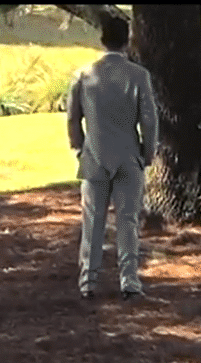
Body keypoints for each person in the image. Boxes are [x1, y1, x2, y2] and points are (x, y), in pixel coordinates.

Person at [66, 14, 158, 301]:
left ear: (102, 39)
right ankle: (129, 282)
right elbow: (149, 120)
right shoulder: (139, 75)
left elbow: (72, 118)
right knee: (128, 222)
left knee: (92, 222)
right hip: (129, 155)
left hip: (94, 156)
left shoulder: (83, 75)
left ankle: (88, 283)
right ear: (127, 40)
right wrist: (147, 152)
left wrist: (79, 148)